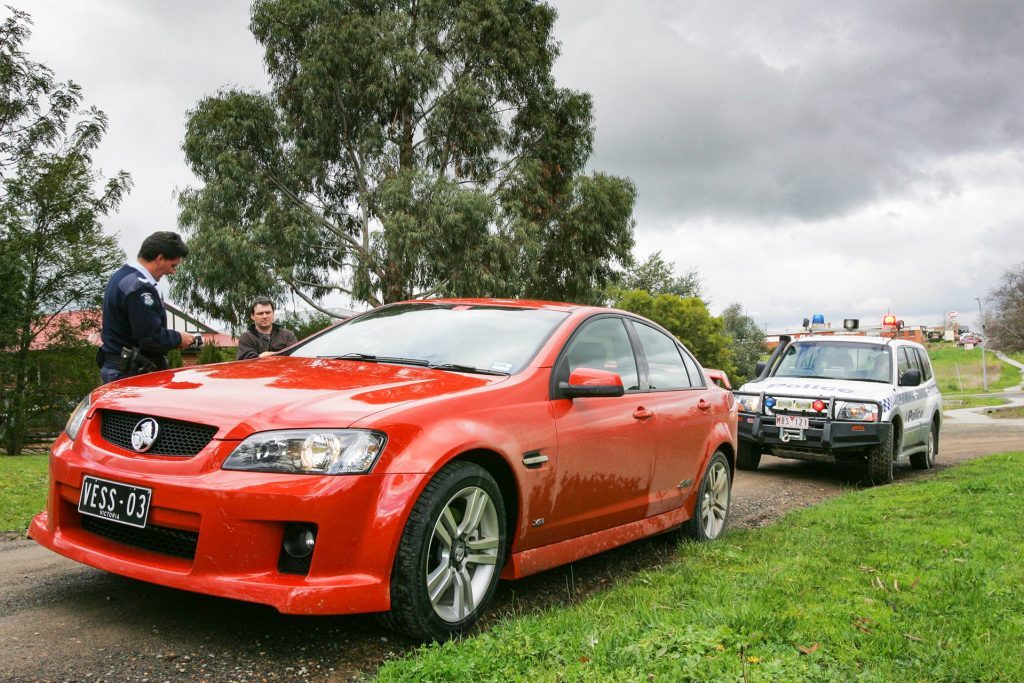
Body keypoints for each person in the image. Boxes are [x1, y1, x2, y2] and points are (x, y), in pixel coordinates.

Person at [98, 231, 195, 384]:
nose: (173, 271)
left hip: (117, 368)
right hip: (130, 375)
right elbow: (149, 338)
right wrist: (178, 338)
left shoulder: (121, 277)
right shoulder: (140, 288)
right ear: (160, 258)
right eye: (173, 265)